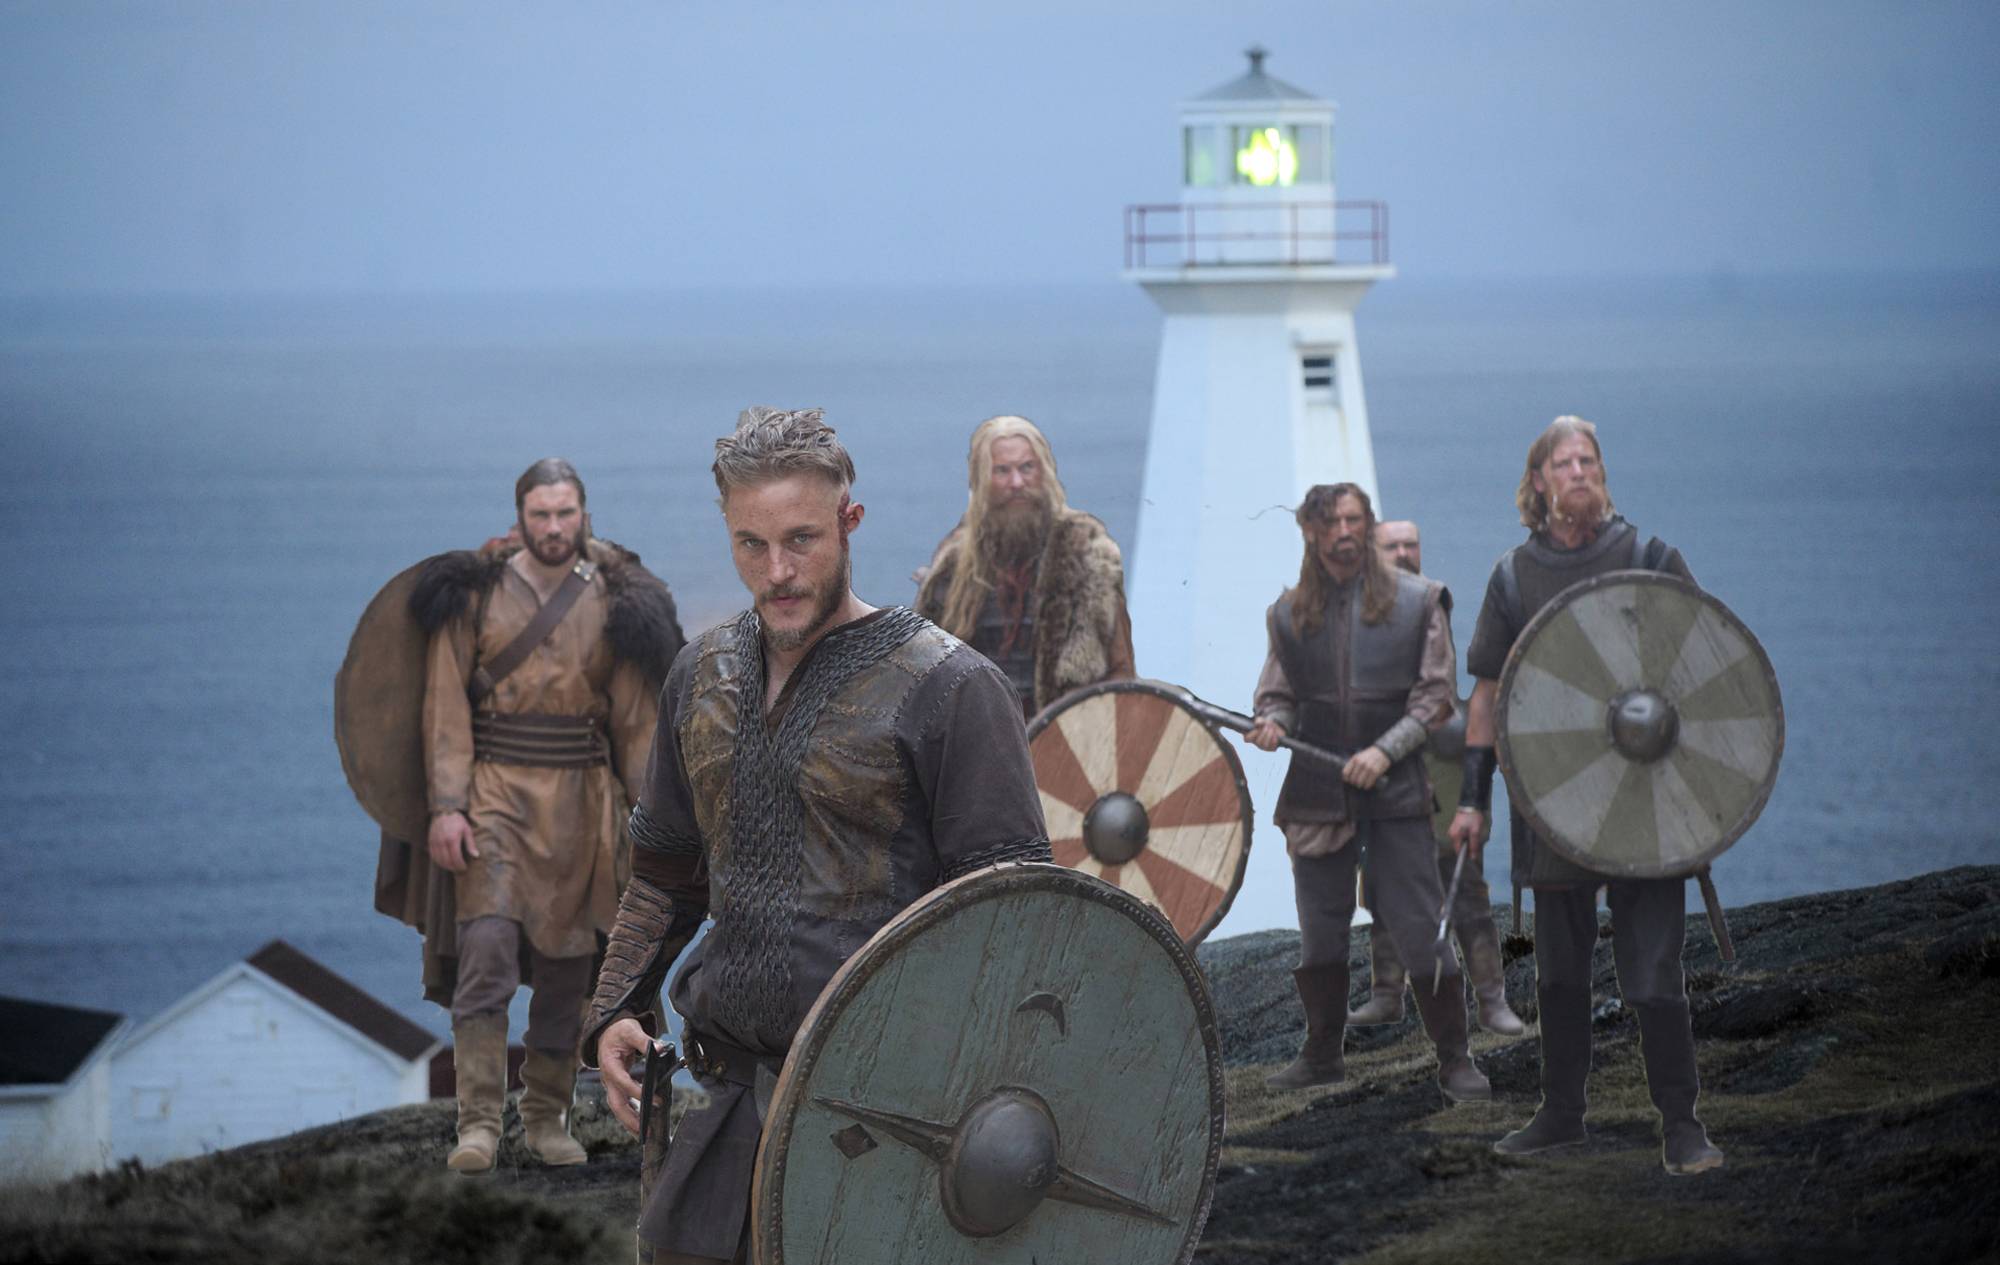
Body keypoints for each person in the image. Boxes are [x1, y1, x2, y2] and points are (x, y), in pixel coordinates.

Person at [583, 407, 1051, 1264]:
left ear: (849, 520)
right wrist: (617, 1006)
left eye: (801, 539)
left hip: (887, 1127)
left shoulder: (953, 688)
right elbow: (666, 871)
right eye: (751, 544)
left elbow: (1011, 923)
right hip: (722, 1105)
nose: (778, 570)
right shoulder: (699, 675)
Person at [1448, 416, 1723, 1176]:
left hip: (1647, 795)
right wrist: (1472, 800)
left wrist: (1703, 786)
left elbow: (1707, 661)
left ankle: (1682, 1124)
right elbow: (1487, 698)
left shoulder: (1649, 558)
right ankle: (1562, 1115)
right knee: (1561, 973)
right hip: (1554, 795)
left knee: (1654, 973)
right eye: (1563, 462)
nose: (1579, 471)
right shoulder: (1513, 578)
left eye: (1589, 459)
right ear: (1538, 481)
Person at [418, 458, 684, 1174]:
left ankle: (544, 1119)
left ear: (583, 515)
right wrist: (447, 807)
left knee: (569, 973)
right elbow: (444, 708)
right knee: (486, 952)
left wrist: (655, 821)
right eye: (541, 514)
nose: (555, 527)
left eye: (566, 513)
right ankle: (478, 1125)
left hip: (581, 809)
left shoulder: (613, 601)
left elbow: (635, 721)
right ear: (520, 518)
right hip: (494, 798)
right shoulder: (476, 596)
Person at [1245, 484, 1489, 1102]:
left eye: (1354, 520)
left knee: (1418, 926)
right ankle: (1322, 1056)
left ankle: (1455, 1059)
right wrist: (1272, 722)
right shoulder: (1287, 613)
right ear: (1311, 532)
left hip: (1396, 791)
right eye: (1331, 523)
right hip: (1316, 793)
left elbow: (1435, 696)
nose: (1344, 532)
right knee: (1320, 933)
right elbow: (1278, 694)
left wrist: (1384, 751)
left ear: (1367, 524)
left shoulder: (1419, 602)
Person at [1348, 519, 1526, 1037]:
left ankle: (1491, 1000)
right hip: (1385, 769)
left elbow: (1436, 697)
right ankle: (1387, 994)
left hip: (1438, 764)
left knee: (1463, 888)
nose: (1404, 552)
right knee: (1384, 888)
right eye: (1392, 545)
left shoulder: (1431, 601)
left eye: (1411, 544)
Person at [915, 414, 1136, 718]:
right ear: (981, 480)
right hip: (979, 739)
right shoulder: (953, 568)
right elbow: (924, 677)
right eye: (1002, 471)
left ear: (1045, 472)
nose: (1017, 483)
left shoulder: (1088, 556)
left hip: (1068, 737)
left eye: (1027, 468)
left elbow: (1120, 673)